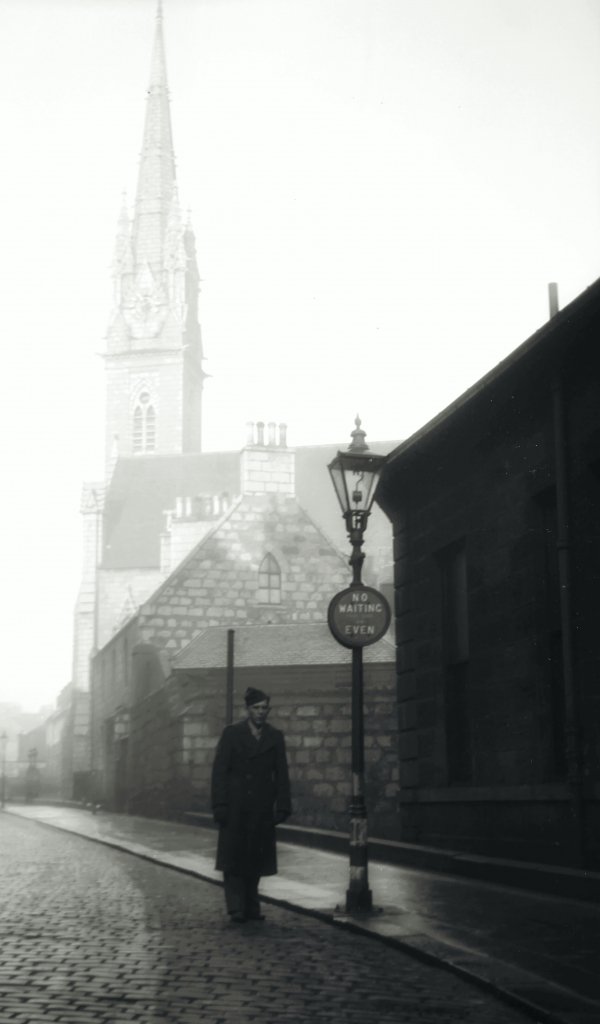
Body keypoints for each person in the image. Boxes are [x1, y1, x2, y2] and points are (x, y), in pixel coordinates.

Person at [211, 687, 291, 923]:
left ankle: (252, 906)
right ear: (247, 709)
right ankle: (236, 908)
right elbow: (219, 772)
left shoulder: (275, 737)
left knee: (256, 859)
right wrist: (220, 804)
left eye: (265, 708)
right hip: (235, 807)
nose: (261, 712)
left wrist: (283, 805)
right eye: (256, 708)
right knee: (234, 860)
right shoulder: (231, 734)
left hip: (261, 807)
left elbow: (282, 773)